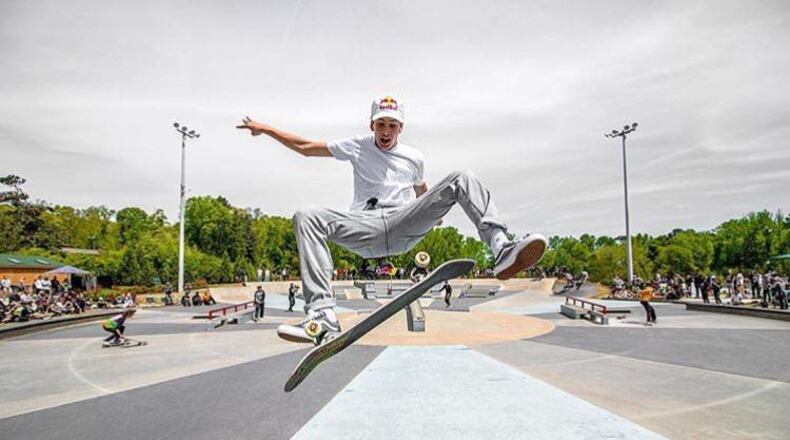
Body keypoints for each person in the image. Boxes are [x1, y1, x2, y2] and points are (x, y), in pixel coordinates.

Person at [238, 94, 547, 344]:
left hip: (403, 224)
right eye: (381, 125)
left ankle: (501, 249)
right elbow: (306, 148)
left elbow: (421, 190)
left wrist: (431, 213)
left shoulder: (414, 157)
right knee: (306, 216)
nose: (386, 132)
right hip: (365, 226)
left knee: (461, 178)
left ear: (401, 128)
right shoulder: (356, 146)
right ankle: (321, 314)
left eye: (393, 126)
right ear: (371, 124)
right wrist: (266, 130)